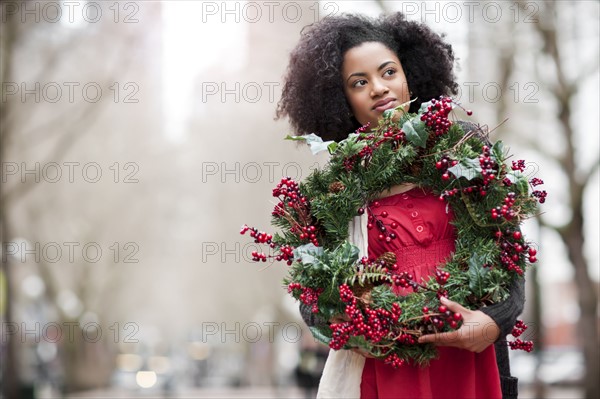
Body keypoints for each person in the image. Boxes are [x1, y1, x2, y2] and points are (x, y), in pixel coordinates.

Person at [275, 12, 525, 399]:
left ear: (410, 75)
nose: (378, 88)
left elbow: (510, 255)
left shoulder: (464, 151)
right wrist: (344, 325)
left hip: (469, 362)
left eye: (388, 72)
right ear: (342, 101)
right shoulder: (334, 189)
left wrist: (493, 323)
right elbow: (313, 295)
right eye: (359, 83)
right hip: (386, 368)